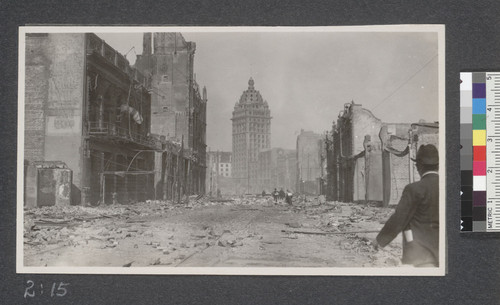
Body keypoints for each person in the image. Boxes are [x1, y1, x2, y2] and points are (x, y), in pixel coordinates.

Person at [374, 144, 439, 267]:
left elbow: (399, 219)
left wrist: (380, 240)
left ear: (419, 166)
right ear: (438, 165)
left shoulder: (414, 189)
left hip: (422, 256)